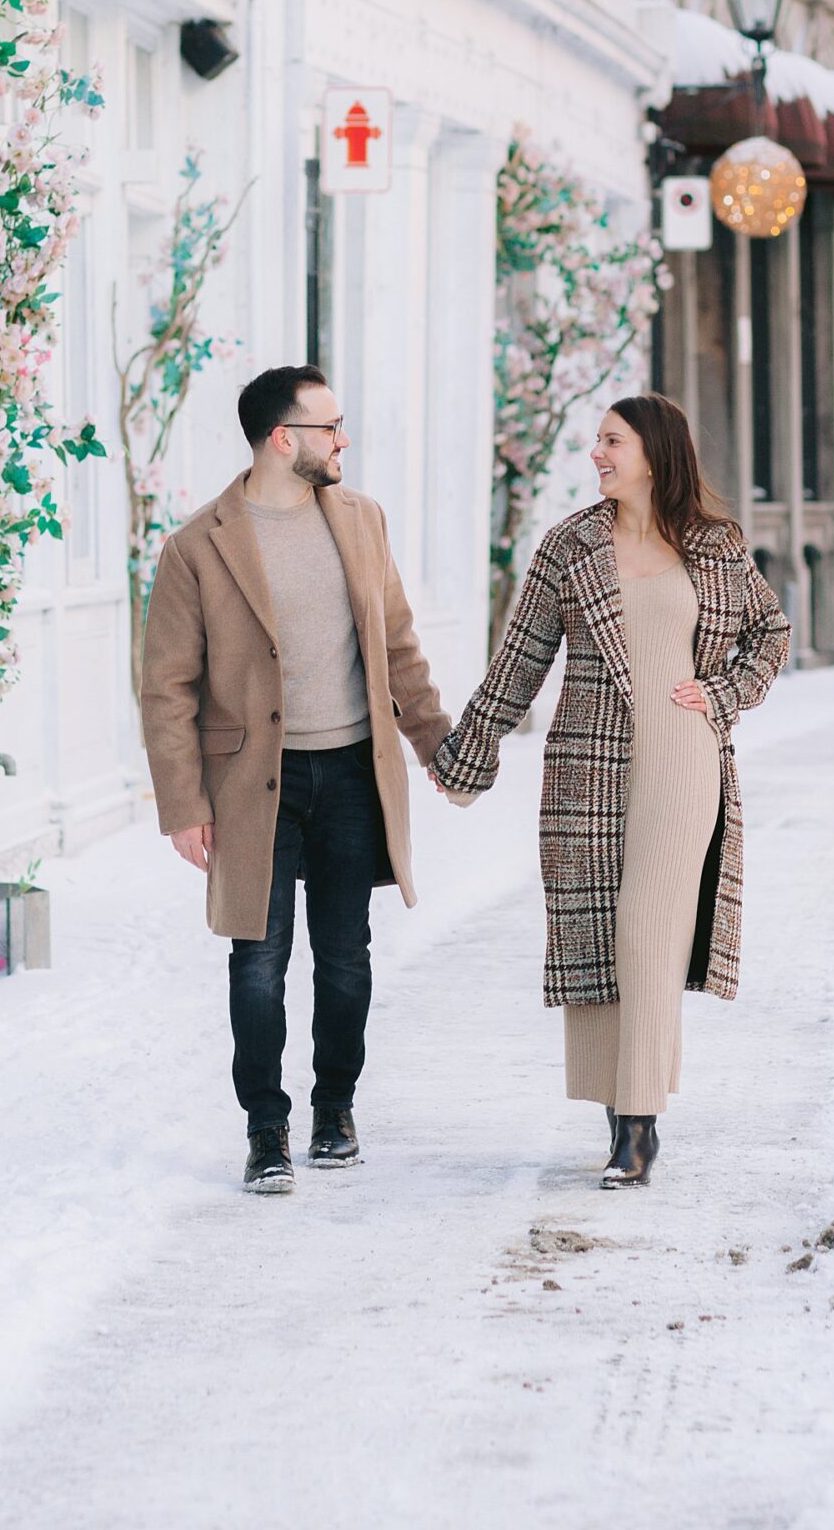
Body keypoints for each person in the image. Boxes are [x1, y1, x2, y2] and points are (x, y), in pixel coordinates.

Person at [432, 393, 789, 1189]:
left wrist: (724, 696)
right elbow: (520, 659)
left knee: (647, 929)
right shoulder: (570, 546)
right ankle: (617, 1104)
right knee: (598, 933)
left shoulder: (713, 545)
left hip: (684, 759)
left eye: (612, 442)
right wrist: (469, 750)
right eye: (597, 441)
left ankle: (638, 1127)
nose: (597, 454)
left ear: (655, 455)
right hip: (588, 765)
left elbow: (770, 631)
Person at [141, 366, 451, 1195]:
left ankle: (334, 1109)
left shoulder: (360, 520)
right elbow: (166, 687)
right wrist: (182, 805)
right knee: (258, 960)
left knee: (346, 957)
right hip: (252, 784)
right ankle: (265, 1129)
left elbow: (399, 649)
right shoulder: (198, 546)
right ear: (285, 439)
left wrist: (438, 748)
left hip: (352, 770)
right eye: (330, 427)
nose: (343, 440)